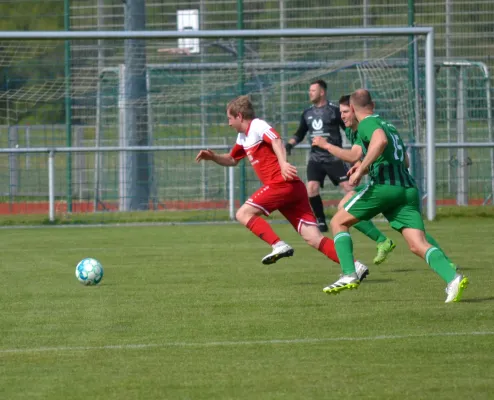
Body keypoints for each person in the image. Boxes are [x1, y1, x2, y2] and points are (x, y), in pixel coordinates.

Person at [195, 95, 369, 281]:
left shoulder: (257, 125)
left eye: (229, 118)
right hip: (293, 189)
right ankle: (355, 265)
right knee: (314, 238)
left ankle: (278, 244)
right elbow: (231, 160)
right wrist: (213, 157)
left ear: (239, 116)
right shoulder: (242, 137)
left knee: (243, 214)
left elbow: (276, 140)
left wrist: (284, 163)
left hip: (282, 184)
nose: (228, 123)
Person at [323, 89, 468, 303]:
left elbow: (379, 142)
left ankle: (349, 274)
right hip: (408, 189)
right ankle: (452, 278)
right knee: (417, 244)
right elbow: (405, 161)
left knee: (338, 222)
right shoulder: (389, 126)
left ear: (353, 108)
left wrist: (362, 169)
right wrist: (364, 165)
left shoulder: (367, 124)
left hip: (385, 187)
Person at [312, 94, 396, 265]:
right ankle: (382, 241)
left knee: (412, 233)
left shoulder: (367, 126)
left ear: (354, 110)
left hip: (388, 184)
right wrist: (360, 167)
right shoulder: (351, 130)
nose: (342, 115)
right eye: (340, 112)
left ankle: (352, 268)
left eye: (345, 111)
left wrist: (326, 145)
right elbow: (359, 155)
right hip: (383, 182)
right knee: (413, 234)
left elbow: (354, 154)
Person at [285, 79, 352, 233]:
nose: (310, 93)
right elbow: (300, 133)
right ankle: (320, 220)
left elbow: (348, 128)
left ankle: (355, 216)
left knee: (349, 187)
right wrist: (289, 145)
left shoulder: (335, 111)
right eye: (310, 90)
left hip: (334, 158)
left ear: (322, 92)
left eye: (313, 90)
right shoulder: (307, 113)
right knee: (311, 188)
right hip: (315, 159)